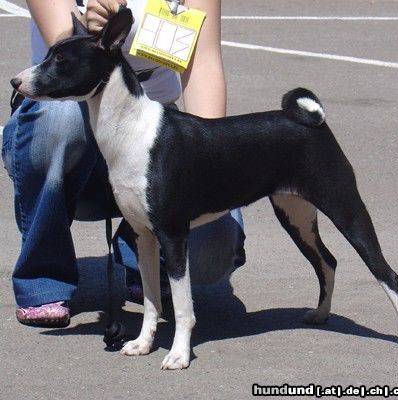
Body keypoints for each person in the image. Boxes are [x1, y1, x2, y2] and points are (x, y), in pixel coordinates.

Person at [2, 0, 245, 327]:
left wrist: (210, 162)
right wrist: (92, 32)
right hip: (76, 118)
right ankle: (44, 275)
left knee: (210, 248)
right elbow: (65, 56)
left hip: (156, 129)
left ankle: (141, 252)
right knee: (57, 122)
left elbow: (203, 64)